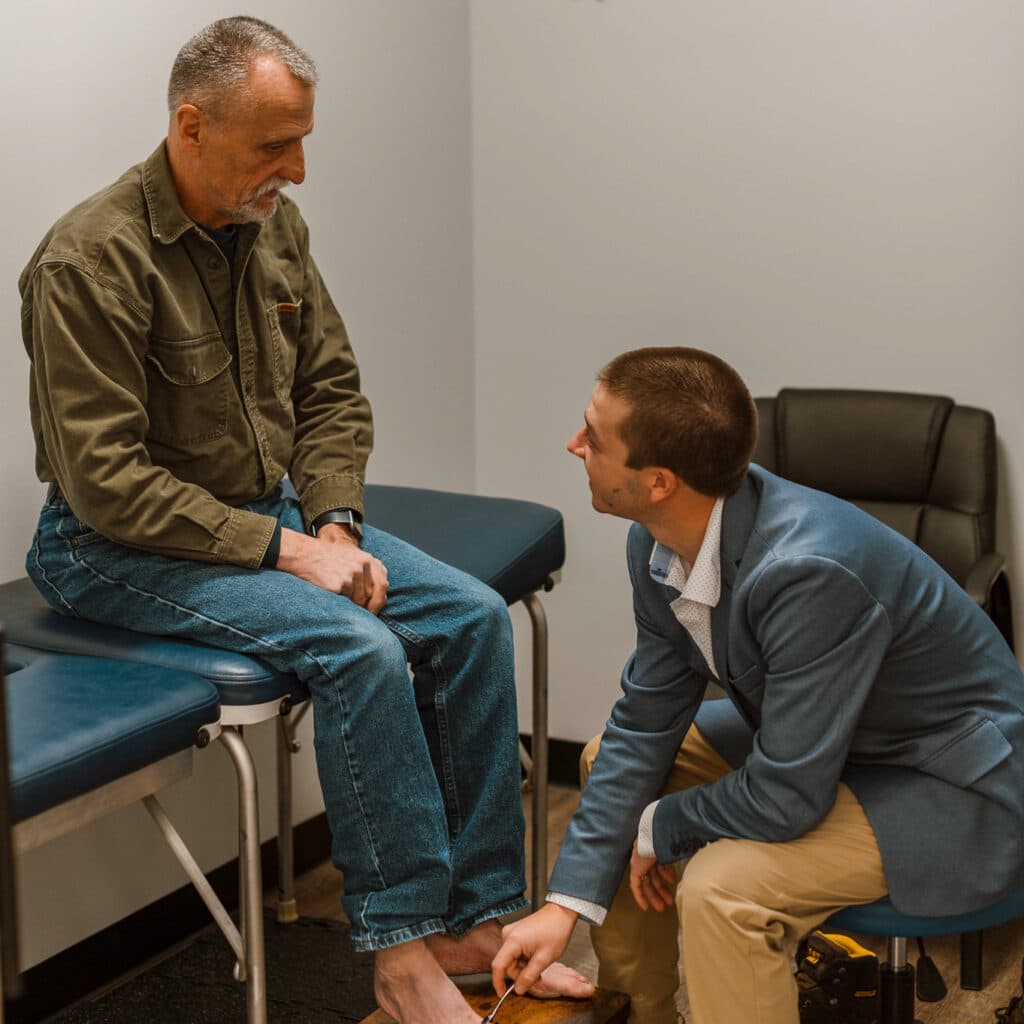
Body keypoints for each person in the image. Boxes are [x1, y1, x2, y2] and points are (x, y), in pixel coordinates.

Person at [19, 17, 590, 1024]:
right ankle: (401, 954)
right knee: (359, 649)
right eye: (274, 146)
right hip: (111, 547)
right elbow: (106, 483)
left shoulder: (273, 224)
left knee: (465, 617)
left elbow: (329, 390)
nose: (298, 169)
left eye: (303, 140)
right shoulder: (88, 261)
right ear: (191, 129)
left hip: (266, 512)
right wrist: (287, 552)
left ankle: (475, 921)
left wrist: (330, 521)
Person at [492, 346, 1024, 1024]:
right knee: (607, 762)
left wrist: (662, 828)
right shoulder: (658, 537)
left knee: (722, 891)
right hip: (835, 742)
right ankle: (641, 1013)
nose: (575, 445)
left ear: (658, 480)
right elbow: (646, 718)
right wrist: (564, 904)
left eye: (594, 439)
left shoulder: (811, 570)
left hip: (946, 779)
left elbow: (787, 795)